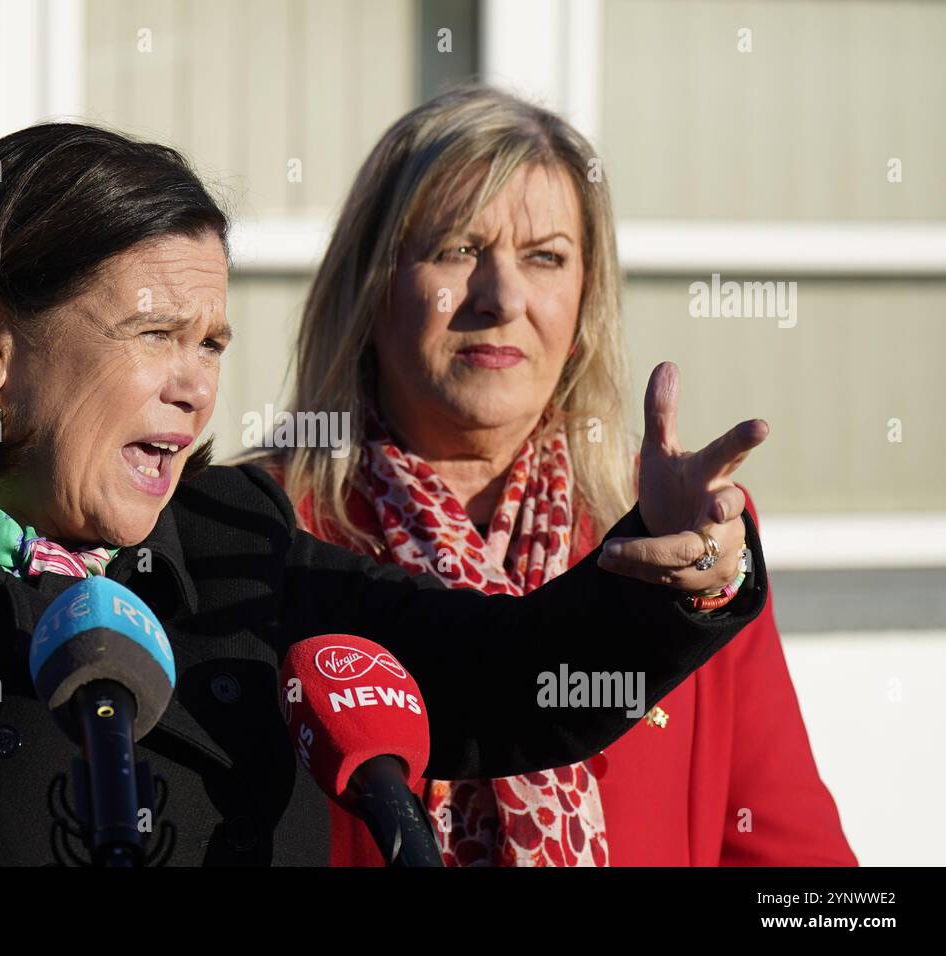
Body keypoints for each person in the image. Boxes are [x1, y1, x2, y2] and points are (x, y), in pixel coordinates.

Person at [0, 123, 768, 866]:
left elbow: (496, 673)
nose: (195, 384)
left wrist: (663, 564)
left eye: (215, 341)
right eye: (154, 333)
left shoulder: (239, 542)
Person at [256, 85, 854, 866]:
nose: (501, 298)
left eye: (545, 258)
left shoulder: (686, 543)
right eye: (457, 249)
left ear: (583, 305)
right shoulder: (261, 531)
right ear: (374, 287)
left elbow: (800, 869)